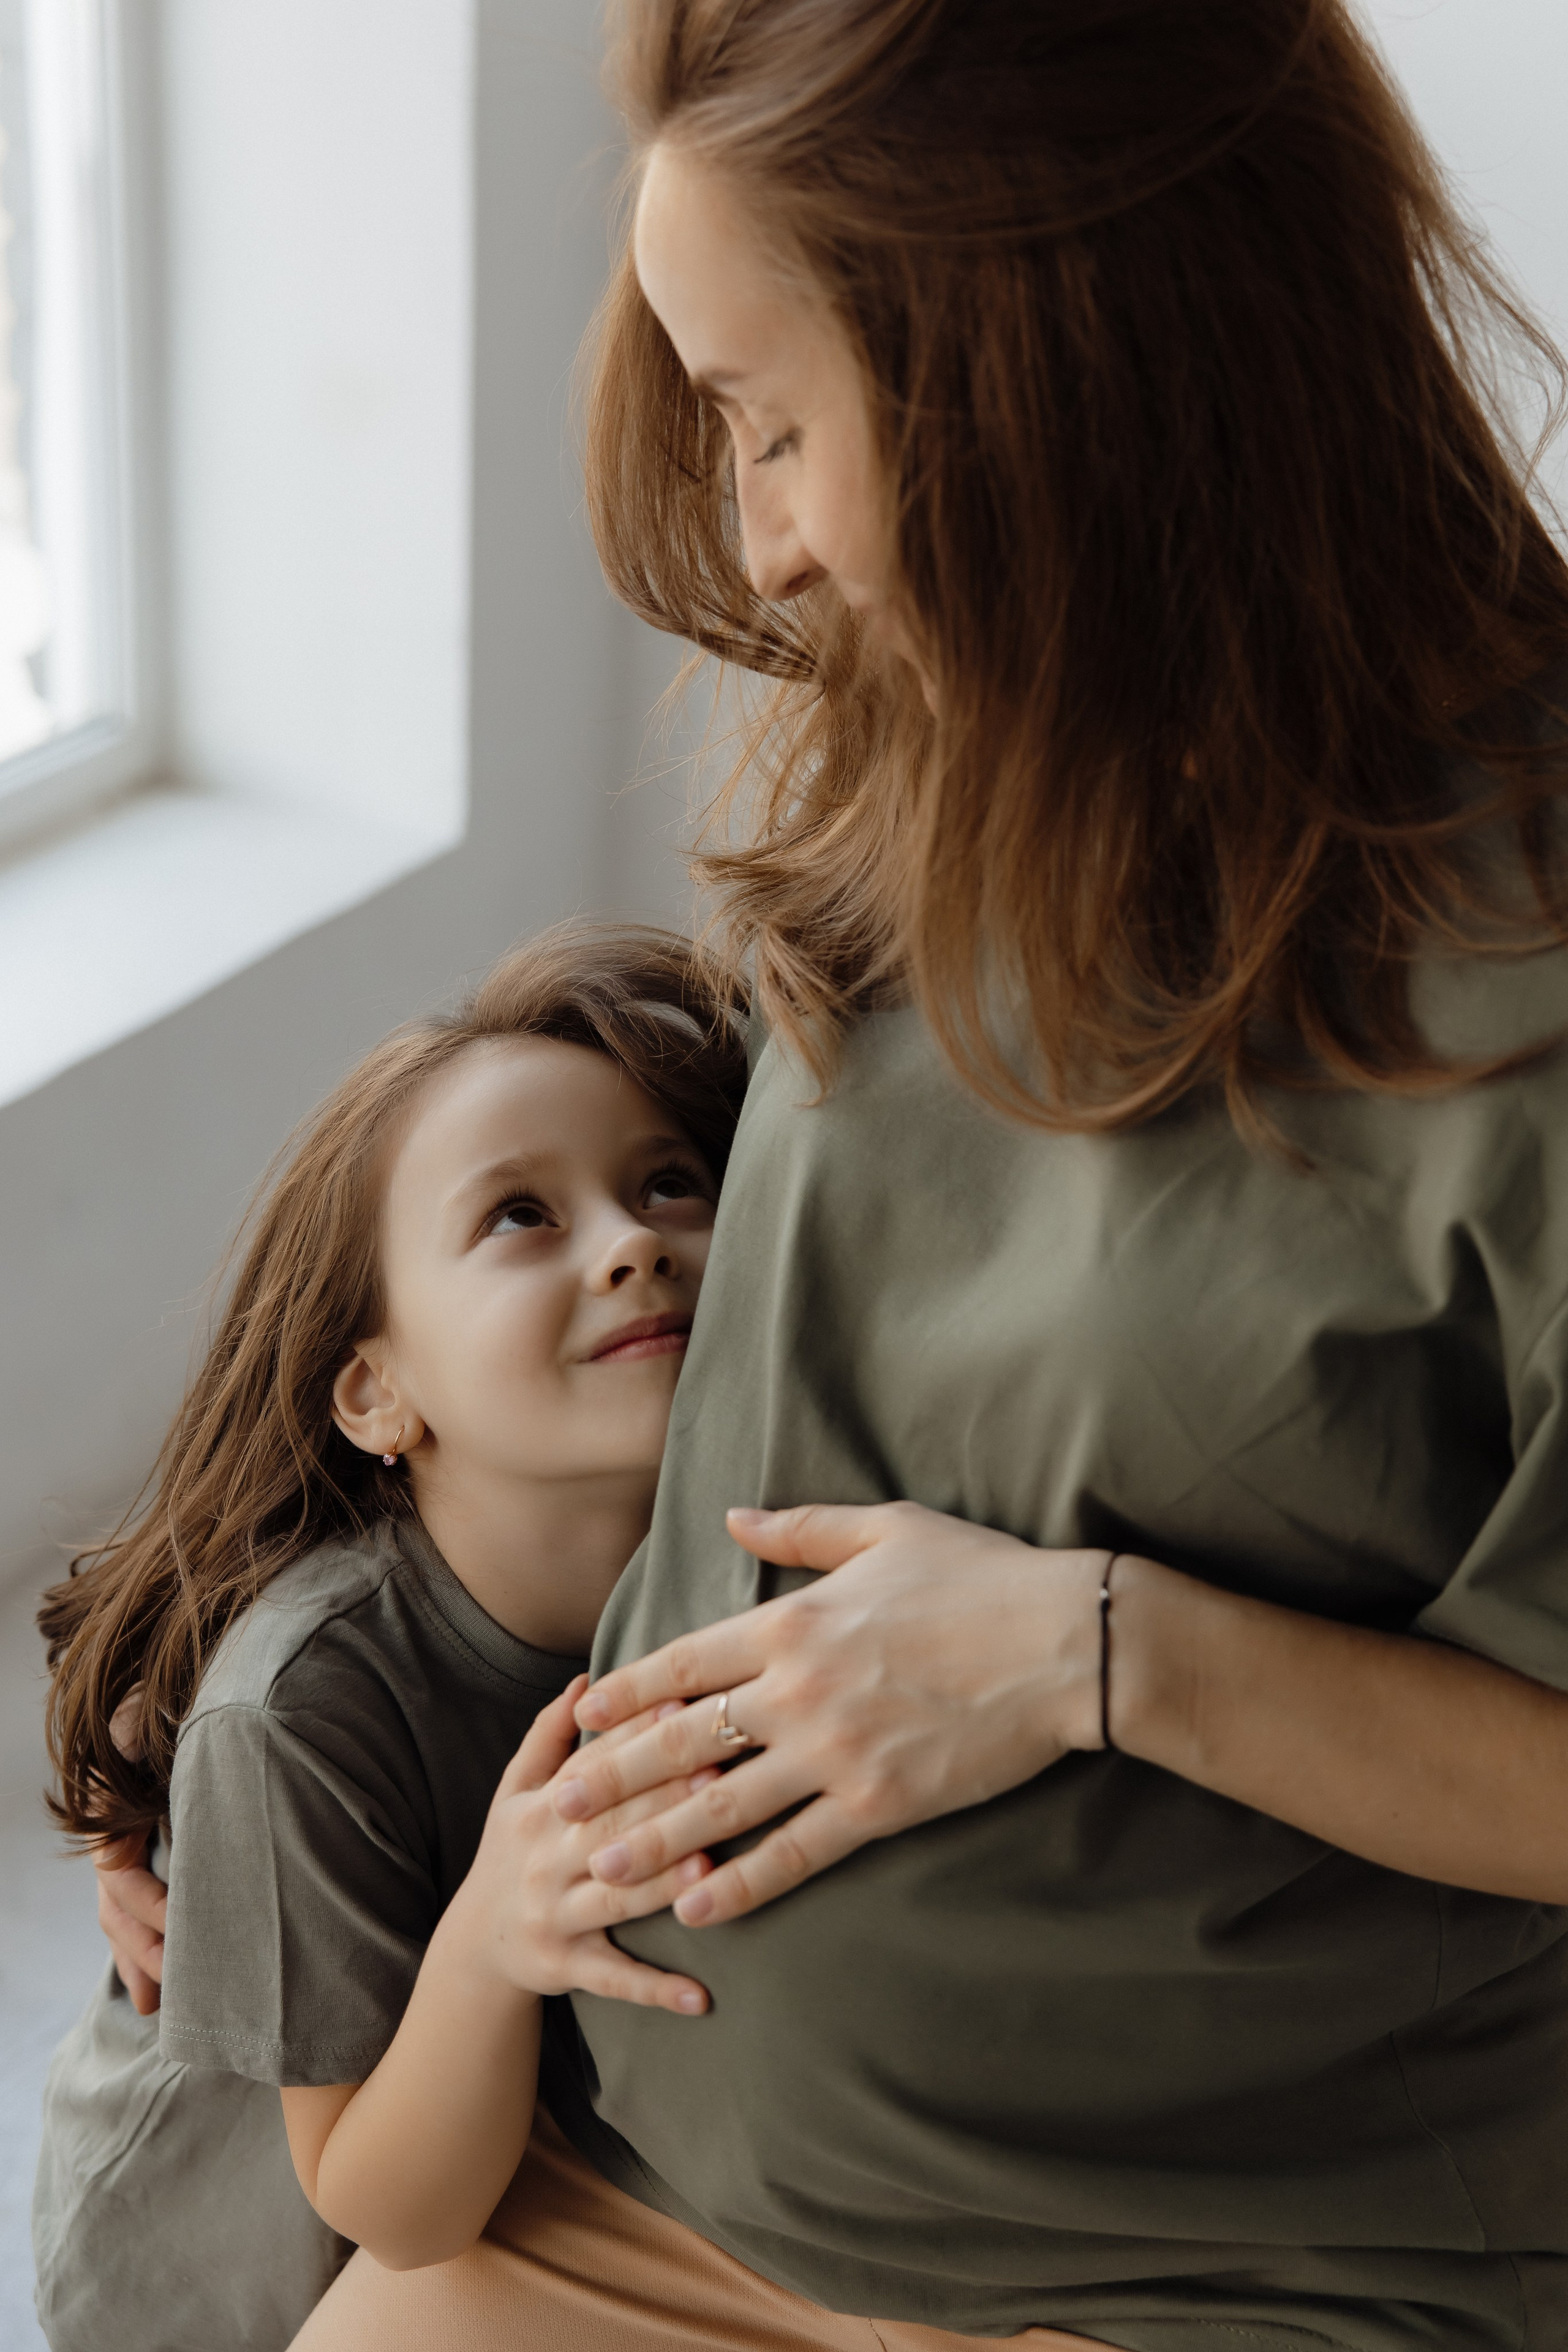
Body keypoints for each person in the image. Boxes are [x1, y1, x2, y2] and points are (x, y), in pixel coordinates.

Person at [107, 1, 1568, 2346]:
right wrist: (234, 1754)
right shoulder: (964, 729)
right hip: (624, 2169)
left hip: (1239, 2278)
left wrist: (1101, 1659)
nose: (767, 548)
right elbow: (637, 1375)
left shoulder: (1526, 983)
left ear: (1077, 382)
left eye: (779, 425)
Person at [32, 925, 746, 2352]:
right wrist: (491, 1934)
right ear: (374, 1394)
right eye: (519, 1216)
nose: (632, 1246)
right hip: (237, 2278)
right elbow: (396, 2213)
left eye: (666, 1183)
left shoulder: (743, 1540)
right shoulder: (300, 1709)